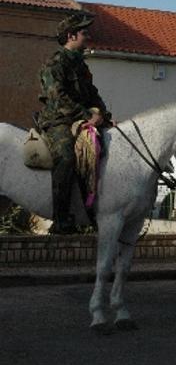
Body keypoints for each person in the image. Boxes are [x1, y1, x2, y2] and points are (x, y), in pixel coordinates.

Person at [37, 13, 112, 235]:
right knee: (67, 157)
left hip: (82, 119)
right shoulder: (55, 63)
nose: (87, 36)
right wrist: (87, 114)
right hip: (58, 120)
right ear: (71, 35)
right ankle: (60, 219)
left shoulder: (81, 66)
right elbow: (58, 98)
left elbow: (93, 95)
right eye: (83, 33)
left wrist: (103, 115)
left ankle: (95, 212)